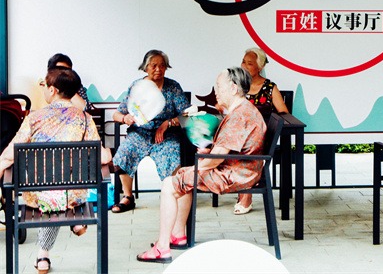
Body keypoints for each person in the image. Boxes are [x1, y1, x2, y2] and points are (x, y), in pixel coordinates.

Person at [136, 67, 266, 264]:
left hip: (234, 175)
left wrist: (200, 164)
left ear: (233, 88)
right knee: (182, 174)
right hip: (243, 170)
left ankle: (162, 248)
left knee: (169, 184)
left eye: (219, 87)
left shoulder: (239, 115)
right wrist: (208, 154)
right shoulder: (244, 109)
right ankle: (178, 235)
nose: (216, 91)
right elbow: (225, 151)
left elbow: (218, 158)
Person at [0, 68, 112, 274]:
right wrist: (107, 153)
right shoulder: (85, 119)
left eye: (44, 85)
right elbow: (103, 158)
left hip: (37, 195)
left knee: (51, 192)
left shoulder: (34, 118)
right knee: (60, 191)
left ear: (52, 90)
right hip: (74, 194)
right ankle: (65, 232)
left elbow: (8, 155)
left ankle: (43, 255)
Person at [111, 50, 190, 213]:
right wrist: (125, 118)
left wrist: (168, 123)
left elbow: (187, 114)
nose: (158, 69)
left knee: (172, 154)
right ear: (145, 67)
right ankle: (128, 197)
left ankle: (172, 195)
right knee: (124, 152)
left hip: (166, 135)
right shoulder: (137, 86)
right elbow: (116, 114)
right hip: (140, 133)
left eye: (162, 65)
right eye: (154, 65)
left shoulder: (173, 87)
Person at [235, 47, 288, 215]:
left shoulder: (269, 87)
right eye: (243, 61)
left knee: (249, 147)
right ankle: (244, 192)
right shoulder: (236, 86)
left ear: (260, 67)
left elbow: (284, 113)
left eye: (249, 63)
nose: (244, 65)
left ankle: (245, 196)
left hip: (261, 135)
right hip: (239, 134)